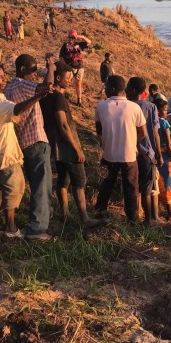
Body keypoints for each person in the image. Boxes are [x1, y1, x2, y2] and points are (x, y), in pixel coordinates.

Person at [0, 63, 49, 237]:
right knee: (15, 186)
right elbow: (16, 109)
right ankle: (10, 227)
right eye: (0, 77)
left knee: (0, 188)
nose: (4, 80)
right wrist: (37, 96)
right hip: (4, 151)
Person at [40, 61, 104, 228]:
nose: (70, 81)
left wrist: (51, 69)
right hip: (67, 145)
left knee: (63, 179)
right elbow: (63, 125)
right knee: (79, 180)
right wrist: (77, 148)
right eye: (67, 78)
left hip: (56, 146)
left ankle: (65, 213)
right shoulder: (59, 98)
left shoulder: (46, 95)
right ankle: (85, 218)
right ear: (58, 78)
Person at [5, 54, 55, 240]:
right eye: (33, 70)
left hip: (22, 141)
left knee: (36, 184)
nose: (35, 74)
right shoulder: (20, 84)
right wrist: (51, 68)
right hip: (35, 139)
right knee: (42, 185)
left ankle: (39, 221)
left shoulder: (9, 86)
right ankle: (37, 229)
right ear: (23, 69)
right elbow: (46, 87)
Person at [94, 75, 148, 223]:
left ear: (111, 88)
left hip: (109, 153)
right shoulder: (134, 107)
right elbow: (143, 132)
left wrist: (106, 143)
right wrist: (130, 140)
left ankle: (100, 209)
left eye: (105, 87)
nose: (104, 90)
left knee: (108, 182)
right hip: (129, 154)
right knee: (131, 186)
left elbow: (99, 131)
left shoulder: (100, 106)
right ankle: (133, 219)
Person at [126, 77, 162, 225]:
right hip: (147, 152)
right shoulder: (151, 107)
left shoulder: (126, 106)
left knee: (133, 187)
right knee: (147, 188)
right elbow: (155, 133)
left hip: (130, 152)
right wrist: (158, 153)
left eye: (128, 87)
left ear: (133, 90)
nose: (126, 90)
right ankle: (148, 220)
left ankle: (135, 219)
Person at [155, 99, 171, 220]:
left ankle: (160, 210)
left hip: (154, 154)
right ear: (159, 111)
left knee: (158, 182)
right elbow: (169, 145)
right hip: (164, 155)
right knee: (168, 183)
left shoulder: (150, 121)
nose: (167, 112)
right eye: (165, 110)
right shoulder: (164, 123)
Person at [59, 36, 86, 106]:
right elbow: (61, 57)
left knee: (78, 83)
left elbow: (89, 42)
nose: (72, 39)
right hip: (69, 67)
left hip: (79, 67)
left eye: (73, 37)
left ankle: (79, 100)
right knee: (65, 82)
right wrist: (65, 66)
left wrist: (80, 36)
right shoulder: (65, 46)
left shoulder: (79, 44)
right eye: (70, 37)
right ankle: (59, 98)